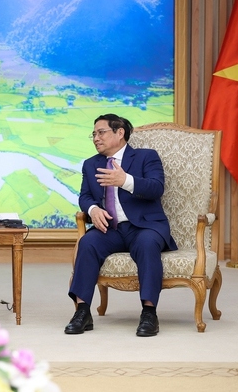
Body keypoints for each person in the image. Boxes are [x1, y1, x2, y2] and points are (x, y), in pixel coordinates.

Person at [65, 114, 177, 337]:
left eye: (101, 132)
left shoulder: (146, 157)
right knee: (87, 243)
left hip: (145, 227)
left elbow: (157, 188)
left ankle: (149, 313)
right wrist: (93, 210)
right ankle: (83, 311)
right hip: (111, 229)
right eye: (94, 134)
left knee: (146, 245)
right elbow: (85, 196)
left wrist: (124, 180)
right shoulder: (91, 164)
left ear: (119, 133)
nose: (96, 138)